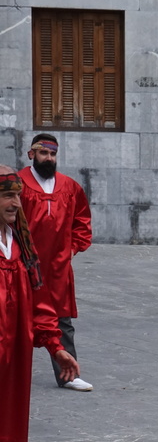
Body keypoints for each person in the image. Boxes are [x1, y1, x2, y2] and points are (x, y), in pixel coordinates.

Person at [0, 166, 79, 442]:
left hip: (9, 364)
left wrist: (55, 346)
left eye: (17, 195)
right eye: (7, 195)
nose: (16, 202)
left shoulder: (19, 243)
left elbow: (39, 300)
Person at [18, 134, 93, 392]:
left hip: (58, 267)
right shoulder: (18, 184)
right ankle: (11, 374)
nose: (48, 158)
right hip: (24, 264)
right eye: (43, 153)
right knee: (16, 318)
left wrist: (72, 248)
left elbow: (82, 221)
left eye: (52, 154)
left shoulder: (69, 187)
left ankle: (68, 375)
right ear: (32, 154)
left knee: (62, 321)